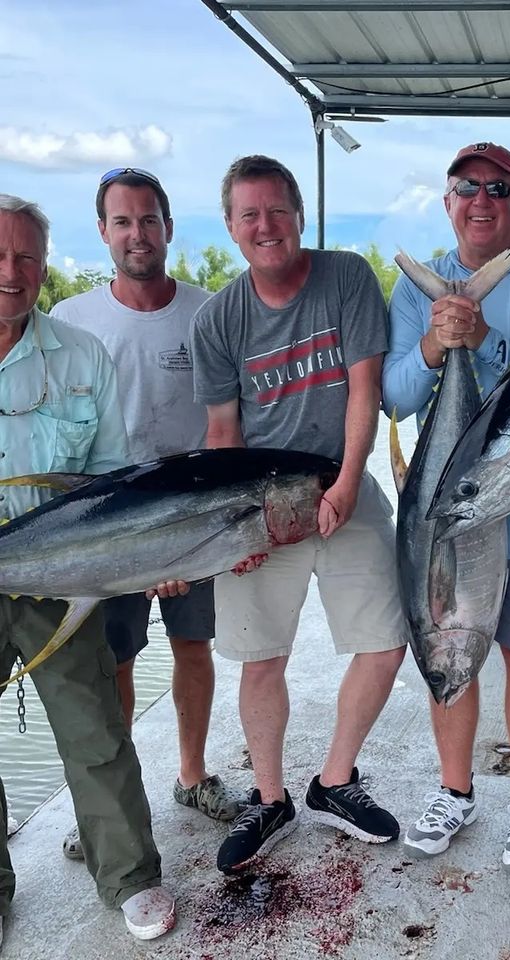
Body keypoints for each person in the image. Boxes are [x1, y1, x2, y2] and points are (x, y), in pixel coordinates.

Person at [190, 155, 409, 875]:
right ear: (230, 227)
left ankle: (334, 781)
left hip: (338, 479)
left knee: (385, 640)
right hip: (256, 501)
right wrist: (233, 530)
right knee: (260, 656)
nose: (265, 226)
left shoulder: (346, 276)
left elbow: (363, 389)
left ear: (299, 216)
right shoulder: (219, 317)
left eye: (277, 210)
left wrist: (348, 483)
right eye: (249, 214)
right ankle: (271, 795)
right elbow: (224, 432)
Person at [384, 142, 510, 875]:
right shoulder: (414, 287)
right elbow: (397, 396)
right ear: (449, 202)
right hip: (439, 510)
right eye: (468, 187)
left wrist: (484, 336)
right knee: (446, 645)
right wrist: (440, 338)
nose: (482, 199)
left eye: (499, 188)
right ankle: (455, 790)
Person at [51, 169, 245, 865]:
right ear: (103, 232)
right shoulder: (71, 319)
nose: (138, 234)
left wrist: (182, 550)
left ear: (169, 226)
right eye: (123, 222)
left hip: (196, 520)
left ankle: (192, 776)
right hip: (103, 523)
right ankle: (113, 802)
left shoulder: (212, 310)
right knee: (116, 662)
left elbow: (233, 418)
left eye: (149, 219)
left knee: (195, 648)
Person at [0, 194, 176, 942]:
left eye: (27, 256)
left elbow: (111, 487)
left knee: (96, 730)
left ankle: (130, 875)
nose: (12, 272)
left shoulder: (80, 354)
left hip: (64, 574)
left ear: (45, 264)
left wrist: (158, 554)